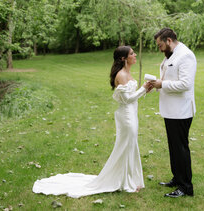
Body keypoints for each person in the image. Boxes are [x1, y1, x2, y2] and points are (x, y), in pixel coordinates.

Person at [32, 46, 151, 198]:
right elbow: (126, 99)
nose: (135, 55)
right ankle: (125, 182)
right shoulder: (121, 75)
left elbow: (131, 95)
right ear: (123, 58)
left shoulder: (128, 72)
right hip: (126, 116)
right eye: (132, 54)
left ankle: (131, 180)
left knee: (131, 145)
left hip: (132, 114)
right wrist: (142, 89)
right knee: (125, 147)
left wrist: (145, 90)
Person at [149, 27, 197, 198]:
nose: (159, 49)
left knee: (181, 149)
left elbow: (185, 84)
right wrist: (156, 83)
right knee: (173, 148)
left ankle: (186, 187)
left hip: (181, 111)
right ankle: (177, 178)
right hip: (170, 110)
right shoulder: (171, 54)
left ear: (168, 41)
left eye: (160, 45)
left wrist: (162, 84)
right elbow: (169, 76)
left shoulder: (186, 55)